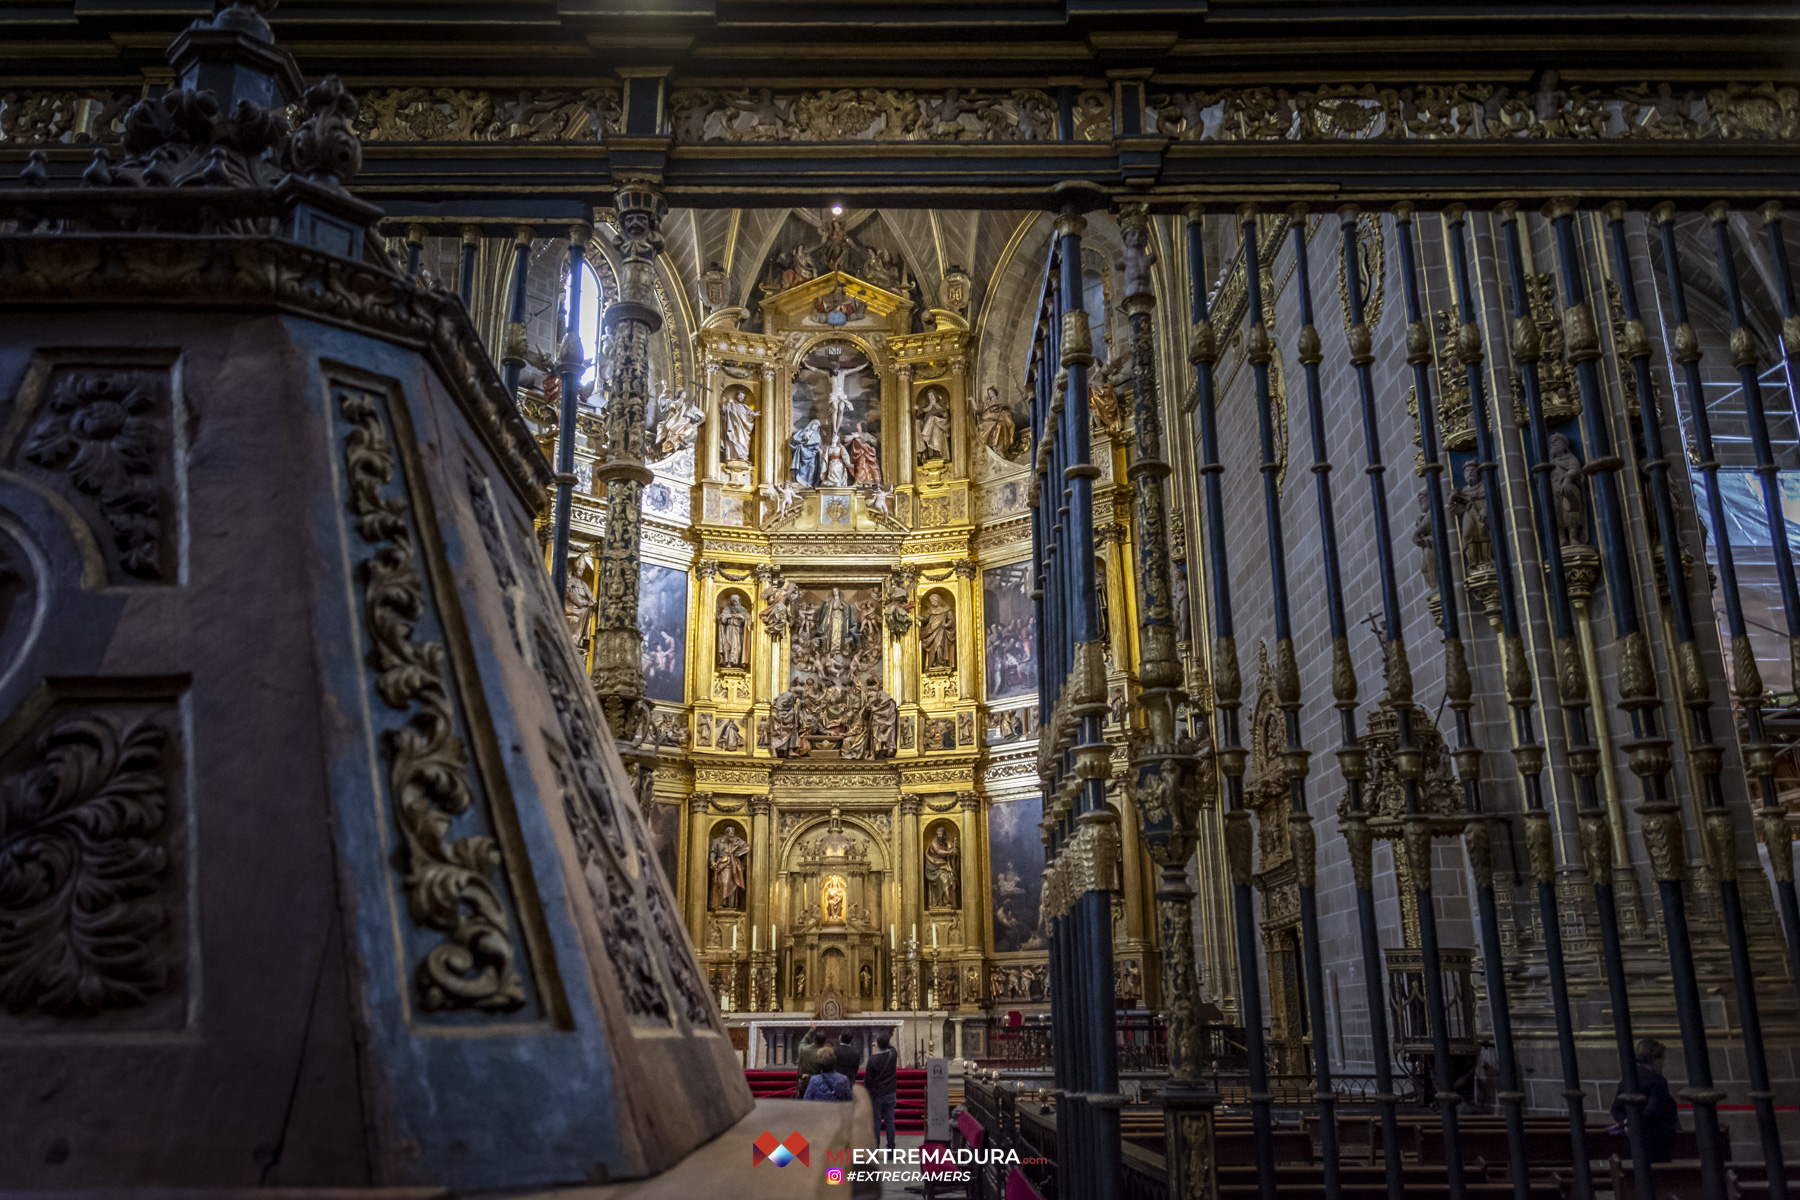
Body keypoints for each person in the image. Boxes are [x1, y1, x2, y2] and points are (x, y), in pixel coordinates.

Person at [1610, 1038, 1680, 1162]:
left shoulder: (1628, 1078)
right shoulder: (1657, 1081)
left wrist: (1625, 1121)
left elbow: (1616, 1109)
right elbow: (1653, 1111)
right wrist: (1632, 1122)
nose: (1663, 1063)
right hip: (1656, 1141)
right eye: (1662, 1059)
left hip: (1633, 1141)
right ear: (1653, 1059)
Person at [864, 1032, 899, 1149]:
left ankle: (876, 1147)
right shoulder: (893, 1055)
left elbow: (867, 1081)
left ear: (877, 1044)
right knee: (890, 1121)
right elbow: (892, 1048)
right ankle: (891, 1148)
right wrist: (884, 1043)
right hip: (890, 1092)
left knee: (876, 1122)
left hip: (877, 1094)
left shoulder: (873, 1060)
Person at [795, 1028, 822, 1099]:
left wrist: (811, 1031)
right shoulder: (824, 1054)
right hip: (819, 1084)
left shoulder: (803, 1050)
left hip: (805, 1082)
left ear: (814, 1039)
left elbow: (802, 1042)